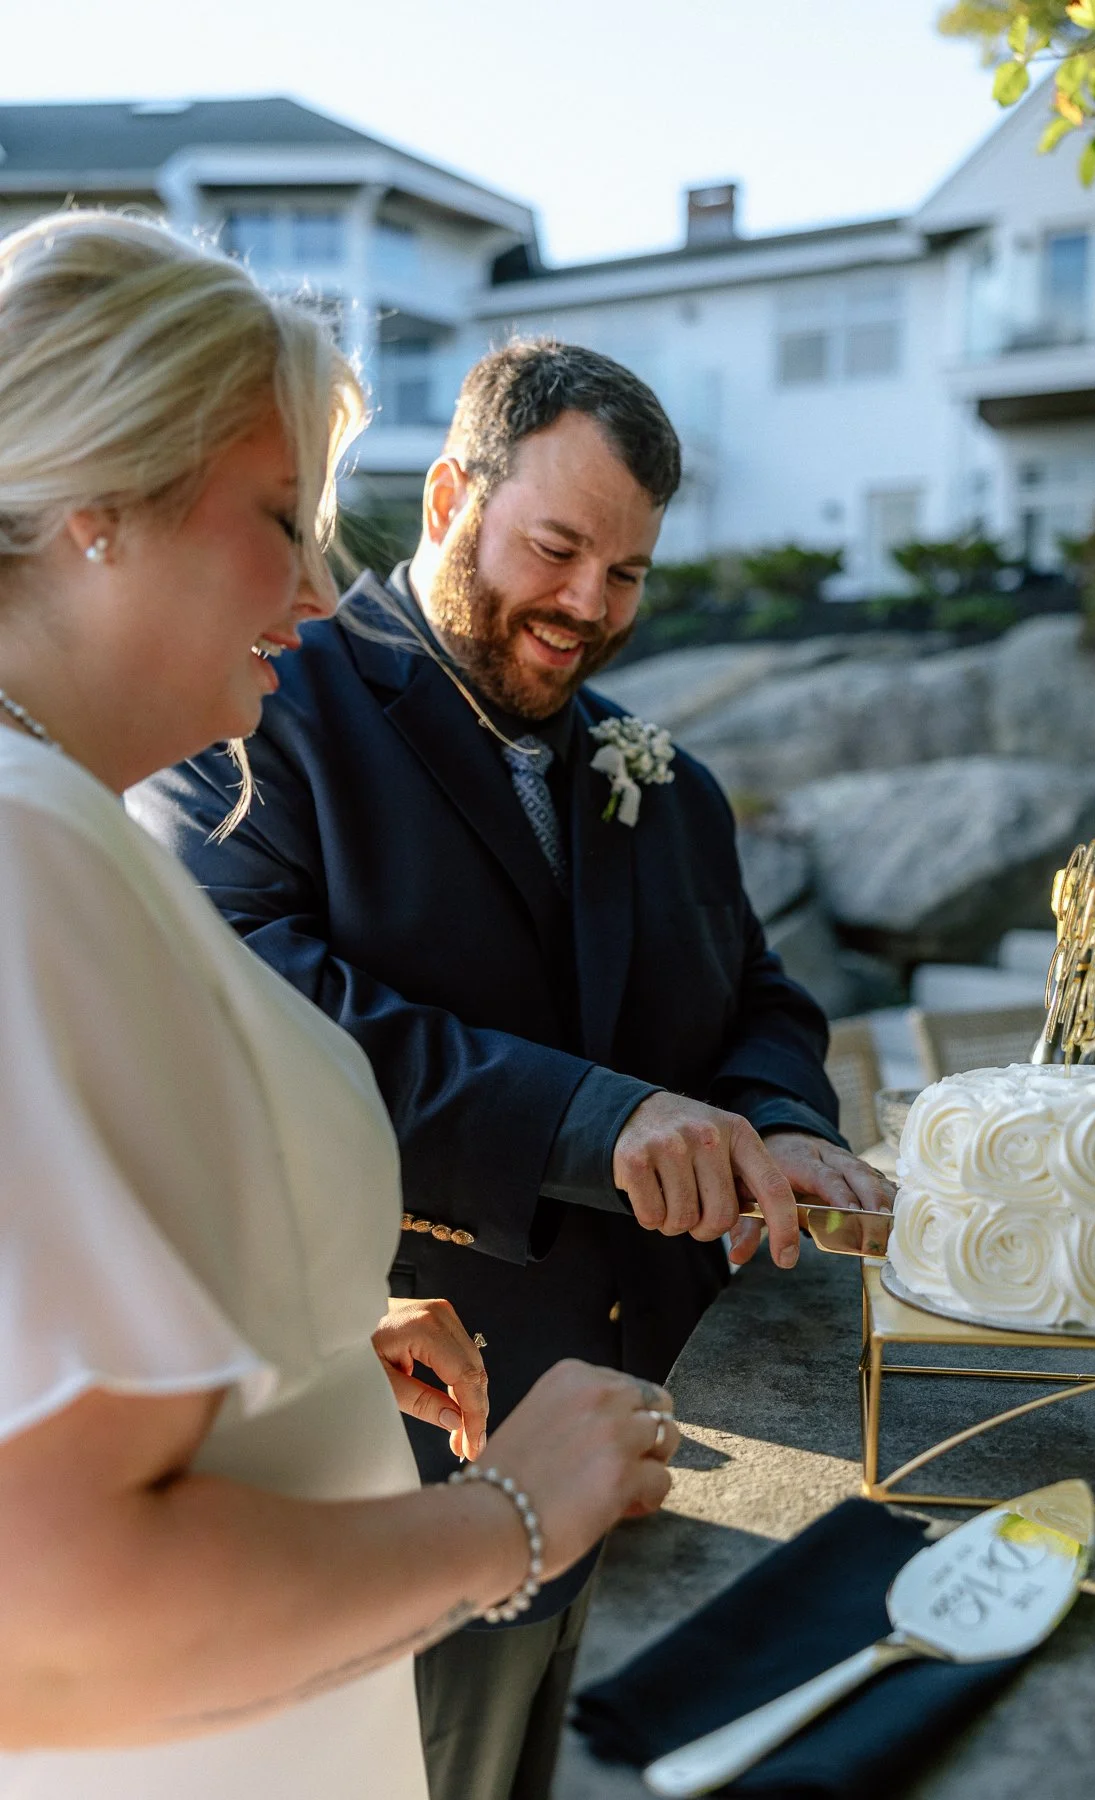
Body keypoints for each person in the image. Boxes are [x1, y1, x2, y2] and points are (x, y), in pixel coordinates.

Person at [132, 339, 895, 1800]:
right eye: (558, 549)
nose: (589, 609)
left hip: (670, 1434)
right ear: (445, 497)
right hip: (413, 1455)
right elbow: (274, 1013)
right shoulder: (256, 713)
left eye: (629, 575)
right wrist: (601, 1122)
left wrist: (781, 1121)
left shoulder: (658, 775)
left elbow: (763, 993)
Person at [0, 215, 682, 1800]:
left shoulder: (64, 822)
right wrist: (510, 1514)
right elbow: (47, 1626)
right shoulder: (27, 851)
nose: (319, 586)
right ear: (100, 505)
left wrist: (298, 1328)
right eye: (279, 515)